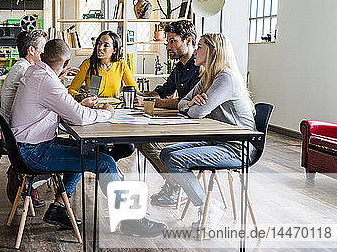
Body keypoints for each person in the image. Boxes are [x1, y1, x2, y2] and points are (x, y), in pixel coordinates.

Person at [10, 39, 165, 236]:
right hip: (33, 151)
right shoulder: (46, 81)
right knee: (106, 161)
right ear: (66, 64)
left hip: (29, 145)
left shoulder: (35, 72)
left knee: (86, 148)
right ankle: (129, 219)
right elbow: (79, 117)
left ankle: (59, 207)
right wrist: (106, 113)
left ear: (42, 56)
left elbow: (61, 107)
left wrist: (79, 105)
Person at [159, 32, 256, 230]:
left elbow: (197, 112)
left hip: (238, 147)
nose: (195, 51)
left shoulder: (225, 78)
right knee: (167, 153)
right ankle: (209, 205)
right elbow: (183, 102)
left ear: (213, 51)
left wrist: (191, 106)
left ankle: (209, 208)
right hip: (219, 141)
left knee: (176, 159)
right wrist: (190, 104)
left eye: (200, 46)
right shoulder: (208, 77)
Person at [134, 20, 201, 207]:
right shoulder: (180, 66)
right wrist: (142, 95)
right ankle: (174, 183)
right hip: (183, 122)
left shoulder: (199, 67)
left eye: (172, 41)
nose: (168, 46)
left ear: (188, 41)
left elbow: (185, 103)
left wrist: (151, 101)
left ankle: (179, 187)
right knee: (139, 140)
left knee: (150, 143)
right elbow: (164, 90)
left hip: (197, 126)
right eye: (167, 41)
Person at [67, 30, 135, 161]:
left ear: (114, 50)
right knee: (100, 146)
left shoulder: (121, 64)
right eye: (99, 44)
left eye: (105, 45)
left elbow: (133, 89)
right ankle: (107, 169)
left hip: (115, 113)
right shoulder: (88, 64)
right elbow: (71, 90)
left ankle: (108, 163)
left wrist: (125, 95)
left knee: (128, 147)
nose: (100, 48)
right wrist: (81, 96)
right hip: (94, 113)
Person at [0, 29, 47, 207]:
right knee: (56, 144)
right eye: (42, 48)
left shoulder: (22, 67)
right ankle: (23, 177)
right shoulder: (24, 70)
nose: (45, 52)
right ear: (31, 50)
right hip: (16, 138)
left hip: (13, 131)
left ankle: (28, 181)